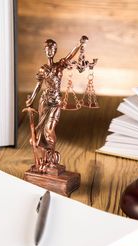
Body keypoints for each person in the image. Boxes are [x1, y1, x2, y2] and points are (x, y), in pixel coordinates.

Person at [25, 37, 87, 172]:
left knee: (49, 129)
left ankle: (52, 153)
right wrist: (32, 100)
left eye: (52, 48)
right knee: (40, 131)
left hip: (56, 102)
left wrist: (79, 44)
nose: (49, 51)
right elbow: (38, 85)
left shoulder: (60, 65)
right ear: (45, 50)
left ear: (55, 50)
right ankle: (46, 158)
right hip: (45, 101)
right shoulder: (43, 69)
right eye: (47, 49)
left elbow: (70, 55)